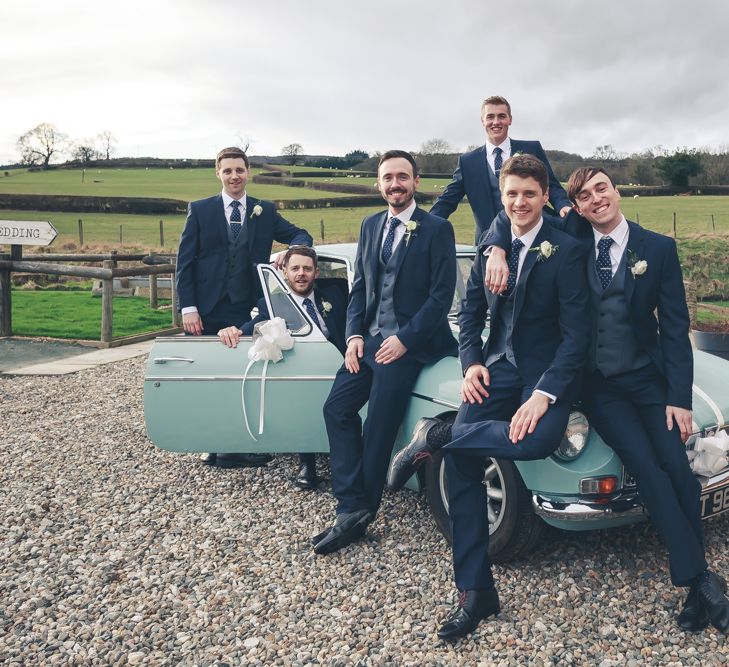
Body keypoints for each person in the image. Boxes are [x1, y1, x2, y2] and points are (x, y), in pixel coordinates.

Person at [482, 166, 729, 634]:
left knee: (679, 469)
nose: (596, 199)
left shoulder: (657, 248)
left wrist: (678, 396)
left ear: (616, 192)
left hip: (646, 380)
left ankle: (698, 587)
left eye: (602, 188)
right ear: (575, 206)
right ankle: (702, 583)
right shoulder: (568, 232)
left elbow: (675, 329)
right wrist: (494, 248)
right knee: (647, 467)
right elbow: (513, 212)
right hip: (598, 387)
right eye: (584, 195)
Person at [387, 154, 590, 640]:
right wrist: (472, 363)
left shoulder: (567, 251)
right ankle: (475, 591)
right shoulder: (487, 250)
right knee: (462, 464)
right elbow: (470, 317)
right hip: (494, 370)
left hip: (543, 374)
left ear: (545, 196)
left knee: (537, 440)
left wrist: (543, 393)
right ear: (503, 199)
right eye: (511, 194)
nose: (520, 202)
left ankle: (438, 434)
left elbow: (577, 337)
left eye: (529, 193)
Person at [313, 150, 458, 556]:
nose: (395, 184)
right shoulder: (370, 224)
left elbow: (440, 295)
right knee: (336, 409)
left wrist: (406, 339)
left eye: (402, 177)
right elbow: (360, 286)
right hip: (370, 340)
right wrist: (354, 334)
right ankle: (348, 498)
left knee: (378, 424)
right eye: (388, 178)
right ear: (379, 184)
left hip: (412, 344)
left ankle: (359, 512)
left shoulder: (436, 228)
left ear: (416, 182)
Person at [176, 146, 313, 469]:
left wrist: (290, 250)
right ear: (218, 174)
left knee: (241, 374)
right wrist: (188, 308)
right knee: (207, 376)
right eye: (228, 171)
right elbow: (185, 263)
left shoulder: (263, 210)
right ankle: (213, 444)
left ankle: (232, 445)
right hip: (205, 309)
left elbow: (300, 234)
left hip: (243, 309)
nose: (234, 176)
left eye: (239, 170)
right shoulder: (201, 210)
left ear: (248, 172)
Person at [218, 245, 347, 489]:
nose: (301, 274)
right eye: (295, 268)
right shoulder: (273, 303)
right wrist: (233, 331)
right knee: (299, 396)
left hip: (341, 360)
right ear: (284, 272)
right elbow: (256, 324)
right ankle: (307, 464)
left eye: (307, 269)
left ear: (316, 273)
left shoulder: (336, 292)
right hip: (303, 366)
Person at [431, 95, 571, 244]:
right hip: (488, 241)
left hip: (533, 237)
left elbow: (551, 185)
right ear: (482, 121)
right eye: (490, 117)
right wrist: (427, 223)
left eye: (501, 116)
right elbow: (447, 200)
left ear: (510, 119)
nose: (496, 122)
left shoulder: (532, 149)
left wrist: (563, 205)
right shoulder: (467, 162)